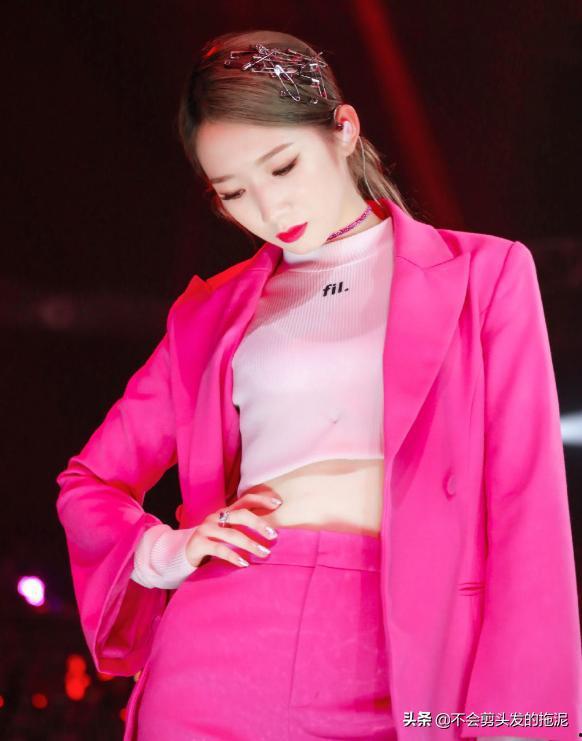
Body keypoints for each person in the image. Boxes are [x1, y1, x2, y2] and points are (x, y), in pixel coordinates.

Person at [55, 29, 581, 741]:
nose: (269, 210)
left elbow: (526, 512)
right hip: (215, 654)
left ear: (344, 129)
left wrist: (522, 724)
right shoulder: (208, 316)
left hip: (412, 658)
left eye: (282, 166)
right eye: (233, 192)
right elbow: (89, 481)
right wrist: (165, 551)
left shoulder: (486, 277)